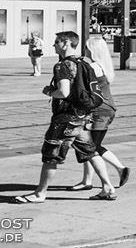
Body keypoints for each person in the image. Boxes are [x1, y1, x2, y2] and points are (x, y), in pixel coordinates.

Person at [14, 31, 117, 203]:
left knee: (51, 155)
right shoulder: (83, 63)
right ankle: (108, 187)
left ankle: (40, 193)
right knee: (90, 152)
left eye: (56, 42)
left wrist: (49, 91)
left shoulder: (63, 66)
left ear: (66, 43)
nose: (54, 45)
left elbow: (63, 92)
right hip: (83, 116)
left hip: (65, 118)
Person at [69, 35, 129, 193]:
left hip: (99, 111)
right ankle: (87, 180)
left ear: (92, 50)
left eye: (87, 47)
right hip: (106, 109)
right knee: (89, 146)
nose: (85, 49)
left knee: (89, 147)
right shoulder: (103, 65)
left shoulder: (93, 66)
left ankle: (119, 170)